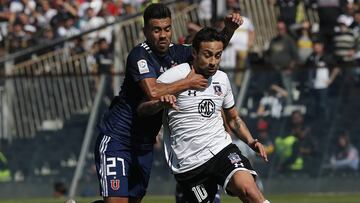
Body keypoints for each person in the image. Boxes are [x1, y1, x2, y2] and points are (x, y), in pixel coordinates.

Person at [94, 3, 243, 203]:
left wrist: (229, 30)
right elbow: (153, 92)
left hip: (144, 144)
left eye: (167, 28)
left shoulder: (178, 52)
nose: (163, 35)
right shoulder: (140, 55)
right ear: (145, 31)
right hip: (118, 138)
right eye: (156, 30)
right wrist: (188, 82)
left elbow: (209, 49)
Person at [138, 27, 269, 203]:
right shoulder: (174, 76)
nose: (213, 61)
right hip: (189, 164)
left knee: (249, 190)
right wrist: (161, 102)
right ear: (194, 53)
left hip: (221, 150)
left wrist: (251, 141)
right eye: (207, 55)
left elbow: (233, 119)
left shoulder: (222, 79)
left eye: (217, 55)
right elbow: (142, 108)